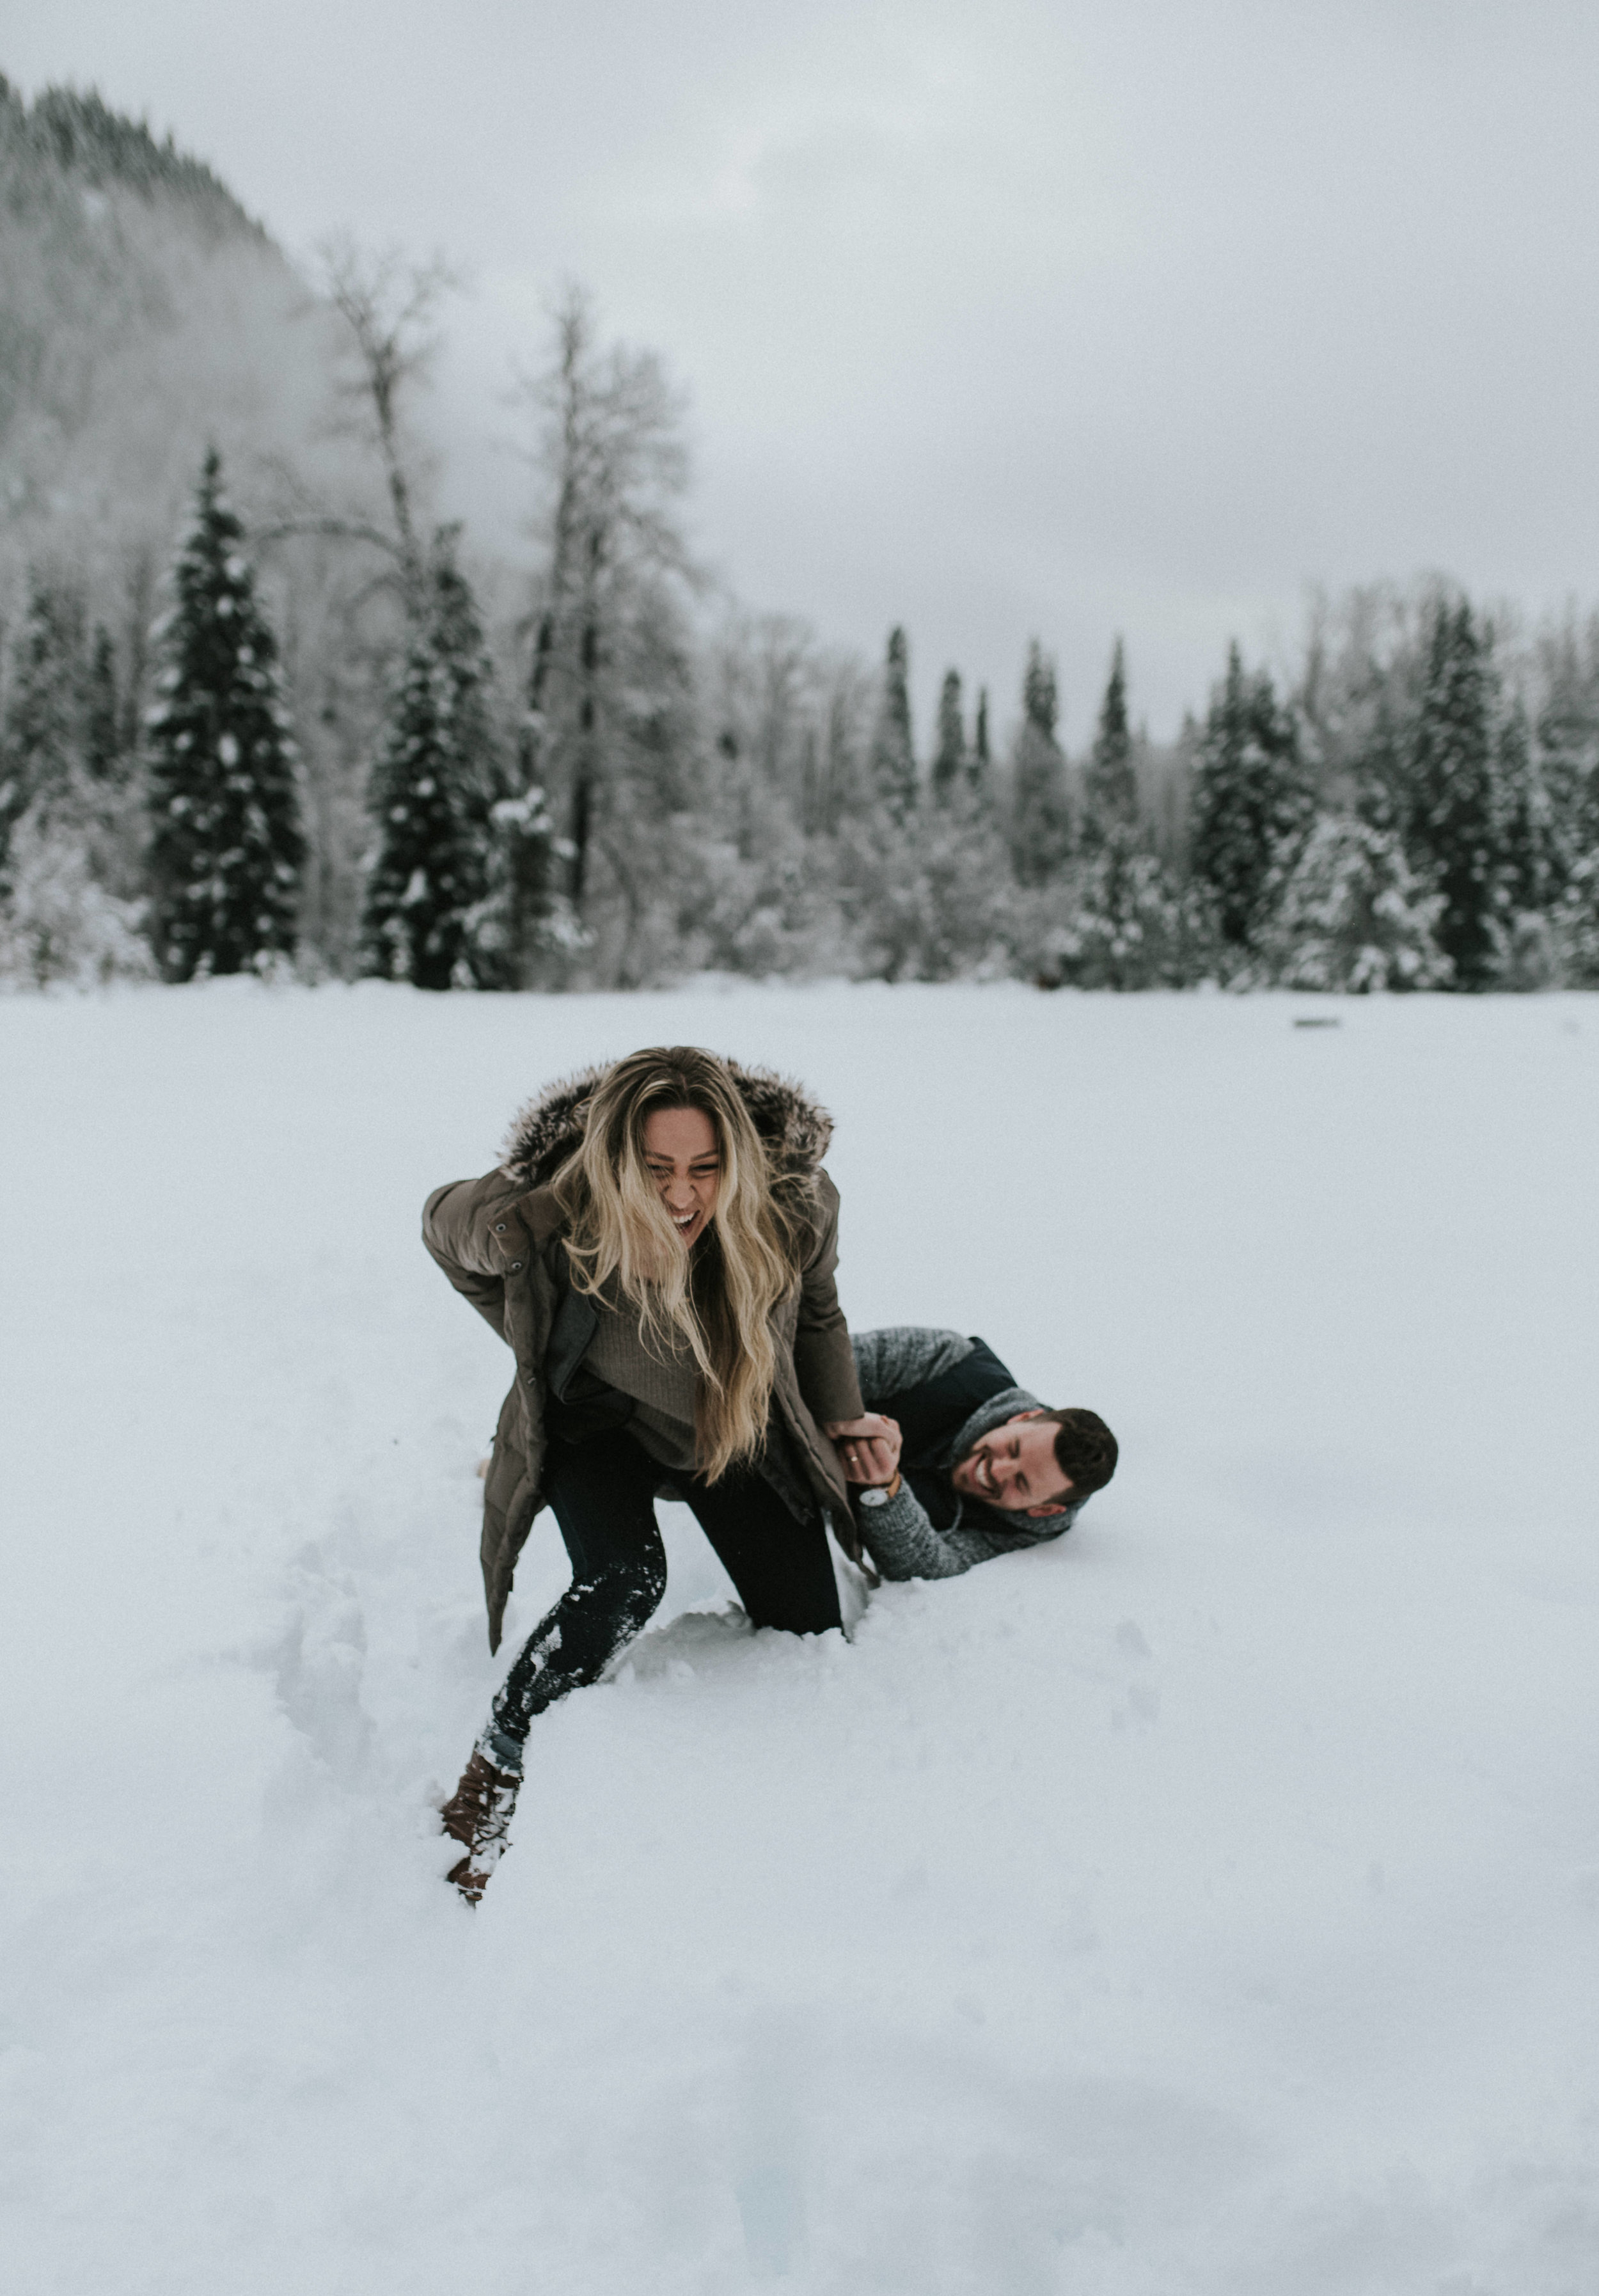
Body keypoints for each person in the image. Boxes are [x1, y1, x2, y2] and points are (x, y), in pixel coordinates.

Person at [422, 1047, 885, 1901]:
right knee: (623, 1579)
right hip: (594, 1425)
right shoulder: (549, 1209)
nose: (680, 1196)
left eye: (706, 1169)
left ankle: (733, 1809)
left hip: (725, 1426)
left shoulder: (795, 1205)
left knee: (808, 1628)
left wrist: (844, 1416)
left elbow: (819, 1309)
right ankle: (496, 1765)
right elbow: (439, 1230)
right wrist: (533, 1332)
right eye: (655, 1169)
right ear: (612, 1161)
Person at [833, 1327, 1117, 1581]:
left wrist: (885, 1490)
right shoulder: (952, 1360)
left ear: (1043, 1510)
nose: (997, 1470)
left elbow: (928, 1566)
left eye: (1021, 1483)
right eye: (1013, 1448)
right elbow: (829, 1367)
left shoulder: (1019, 1529)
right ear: (1022, 1418)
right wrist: (845, 1418)